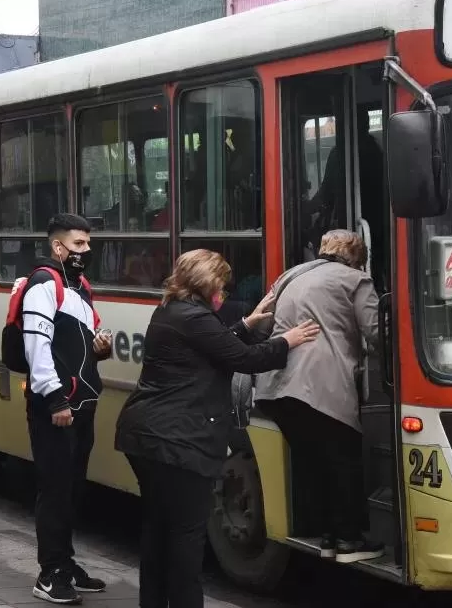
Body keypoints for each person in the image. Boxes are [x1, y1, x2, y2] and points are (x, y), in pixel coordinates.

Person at [114, 249, 320, 608]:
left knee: (158, 531)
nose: (223, 292)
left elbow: (213, 344)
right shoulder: (194, 318)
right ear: (207, 285)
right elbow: (244, 358)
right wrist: (288, 340)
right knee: (185, 540)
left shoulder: (171, 312)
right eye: (221, 285)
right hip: (178, 442)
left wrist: (248, 323)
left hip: (146, 434)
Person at [255, 229, 382, 564]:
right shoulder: (356, 280)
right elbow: (376, 332)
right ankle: (349, 541)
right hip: (321, 385)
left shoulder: (290, 275)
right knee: (344, 462)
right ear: (358, 255)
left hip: (274, 386)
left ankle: (327, 536)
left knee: (315, 464)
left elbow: (264, 326)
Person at [23, 213, 111, 604]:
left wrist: (99, 350)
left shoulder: (78, 286)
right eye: (78, 245)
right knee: (55, 490)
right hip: (57, 407)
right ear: (58, 247)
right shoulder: (43, 285)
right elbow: (37, 347)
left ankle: (66, 563)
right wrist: (55, 399)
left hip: (82, 404)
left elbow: (74, 343)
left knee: (73, 488)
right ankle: (49, 573)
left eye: (88, 244)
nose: (86, 251)